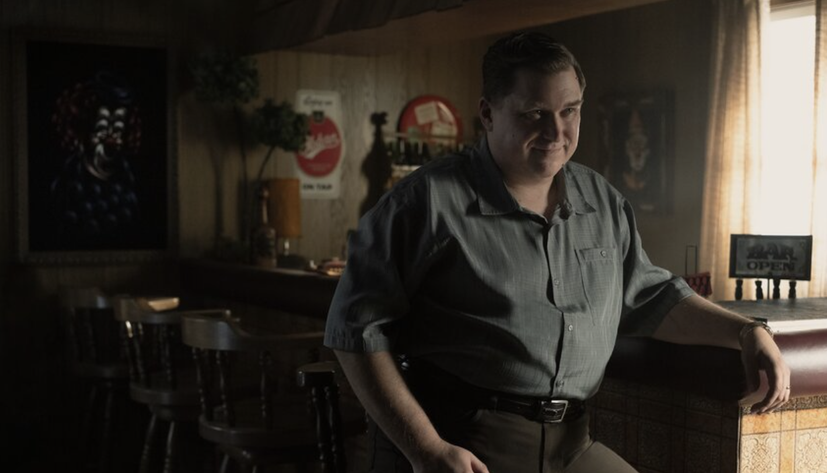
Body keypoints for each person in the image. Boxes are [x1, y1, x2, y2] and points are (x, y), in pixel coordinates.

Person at [324, 32, 790, 473]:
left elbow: (650, 297)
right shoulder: (424, 202)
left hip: (573, 444)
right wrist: (425, 449)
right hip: (460, 443)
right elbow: (355, 332)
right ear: (488, 114)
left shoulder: (602, 201)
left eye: (570, 110)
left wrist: (748, 332)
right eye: (533, 114)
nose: (556, 131)